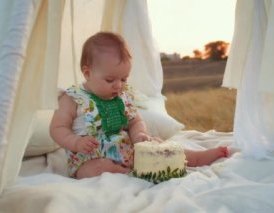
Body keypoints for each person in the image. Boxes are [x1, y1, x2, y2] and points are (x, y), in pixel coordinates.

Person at [50, 32, 229, 179]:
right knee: (96, 170)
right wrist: (76, 142)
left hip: (127, 151)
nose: (118, 85)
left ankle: (196, 158)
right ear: (87, 73)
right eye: (110, 80)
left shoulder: (122, 97)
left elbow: (135, 121)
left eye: (123, 79)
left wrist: (139, 135)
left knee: (162, 149)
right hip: (89, 157)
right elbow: (57, 128)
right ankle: (126, 174)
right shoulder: (73, 98)